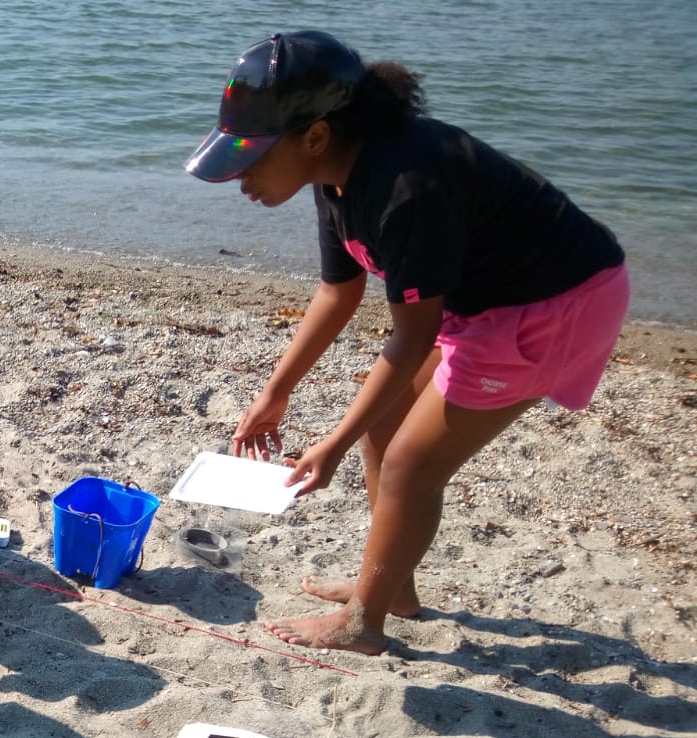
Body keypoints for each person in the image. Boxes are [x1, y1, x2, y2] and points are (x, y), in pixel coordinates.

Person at [185, 31, 629, 655]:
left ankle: (363, 624)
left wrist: (330, 444)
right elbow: (337, 295)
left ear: (314, 135)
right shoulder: (334, 174)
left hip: (552, 309)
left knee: (409, 467)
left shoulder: (405, 189)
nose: (240, 179)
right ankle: (394, 590)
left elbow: (414, 335)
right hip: (486, 303)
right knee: (385, 427)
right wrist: (275, 395)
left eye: (252, 159)